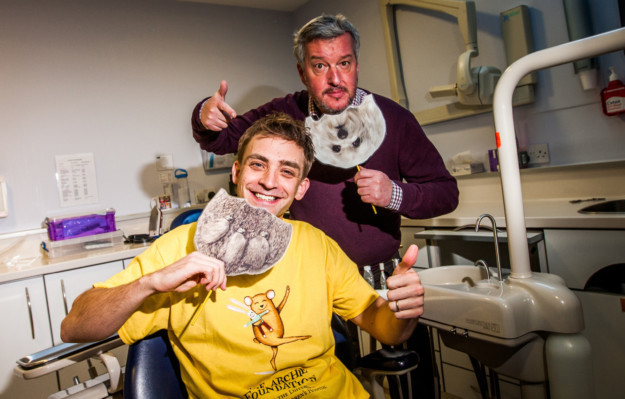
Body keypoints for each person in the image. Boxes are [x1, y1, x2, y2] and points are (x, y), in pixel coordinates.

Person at [61, 113, 425, 399]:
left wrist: (402, 311)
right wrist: (149, 283)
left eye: (287, 172)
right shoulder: (176, 249)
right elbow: (74, 326)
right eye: (257, 164)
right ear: (236, 171)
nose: (269, 181)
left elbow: (385, 330)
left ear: (301, 189)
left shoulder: (316, 245)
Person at [192, 14, 457, 398]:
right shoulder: (285, 113)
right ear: (303, 73)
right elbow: (222, 138)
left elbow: (445, 192)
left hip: (378, 279)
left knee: (402, 387)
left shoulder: (394, 120)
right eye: (320, 66)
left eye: (344, 64)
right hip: (306, 278)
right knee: (321, 381)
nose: (335, 78)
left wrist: (393, 194)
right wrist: (205, 115)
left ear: (356, 66)